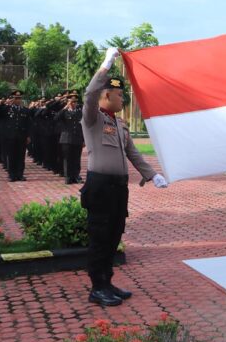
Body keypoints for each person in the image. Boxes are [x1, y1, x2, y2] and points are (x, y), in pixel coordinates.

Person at [81, 48, 168, 307]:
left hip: (119, 188)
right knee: (100, 237)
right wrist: (105, 66)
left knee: (114, 235)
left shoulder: (120, 125)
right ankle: (97, 287)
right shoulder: (93, 118)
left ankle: (107, 282)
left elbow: (134, 153)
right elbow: (89, 95)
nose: (123, 100)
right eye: (120, 95)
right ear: (106, 95)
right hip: (100, 187)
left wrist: (153, 176)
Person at [0, 91, 32, 182]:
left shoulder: (25, 110)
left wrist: (28, 136)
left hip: (21, 136)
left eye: (19, 98)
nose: (18, 100)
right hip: (10, 136)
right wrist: (3, 104)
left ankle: (20, 174)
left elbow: (28, 124)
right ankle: (12, 175)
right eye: (16, 98)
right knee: (11, 156)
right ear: (12, 98)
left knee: (21, 156)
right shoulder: (7, 109)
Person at [56, 90, 84, 184]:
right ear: (68, 102)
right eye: (72, 101)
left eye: (75, 101)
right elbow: (56, 118)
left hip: (77, 139)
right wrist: (65, 107)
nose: (74, 103)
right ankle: (68, 177)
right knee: (68, 159)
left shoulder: (80, 112)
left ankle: (76, 176)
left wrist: (84, 140)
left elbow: (83, 126)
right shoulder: (64, 112)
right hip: (66, 139)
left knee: (76, 159)